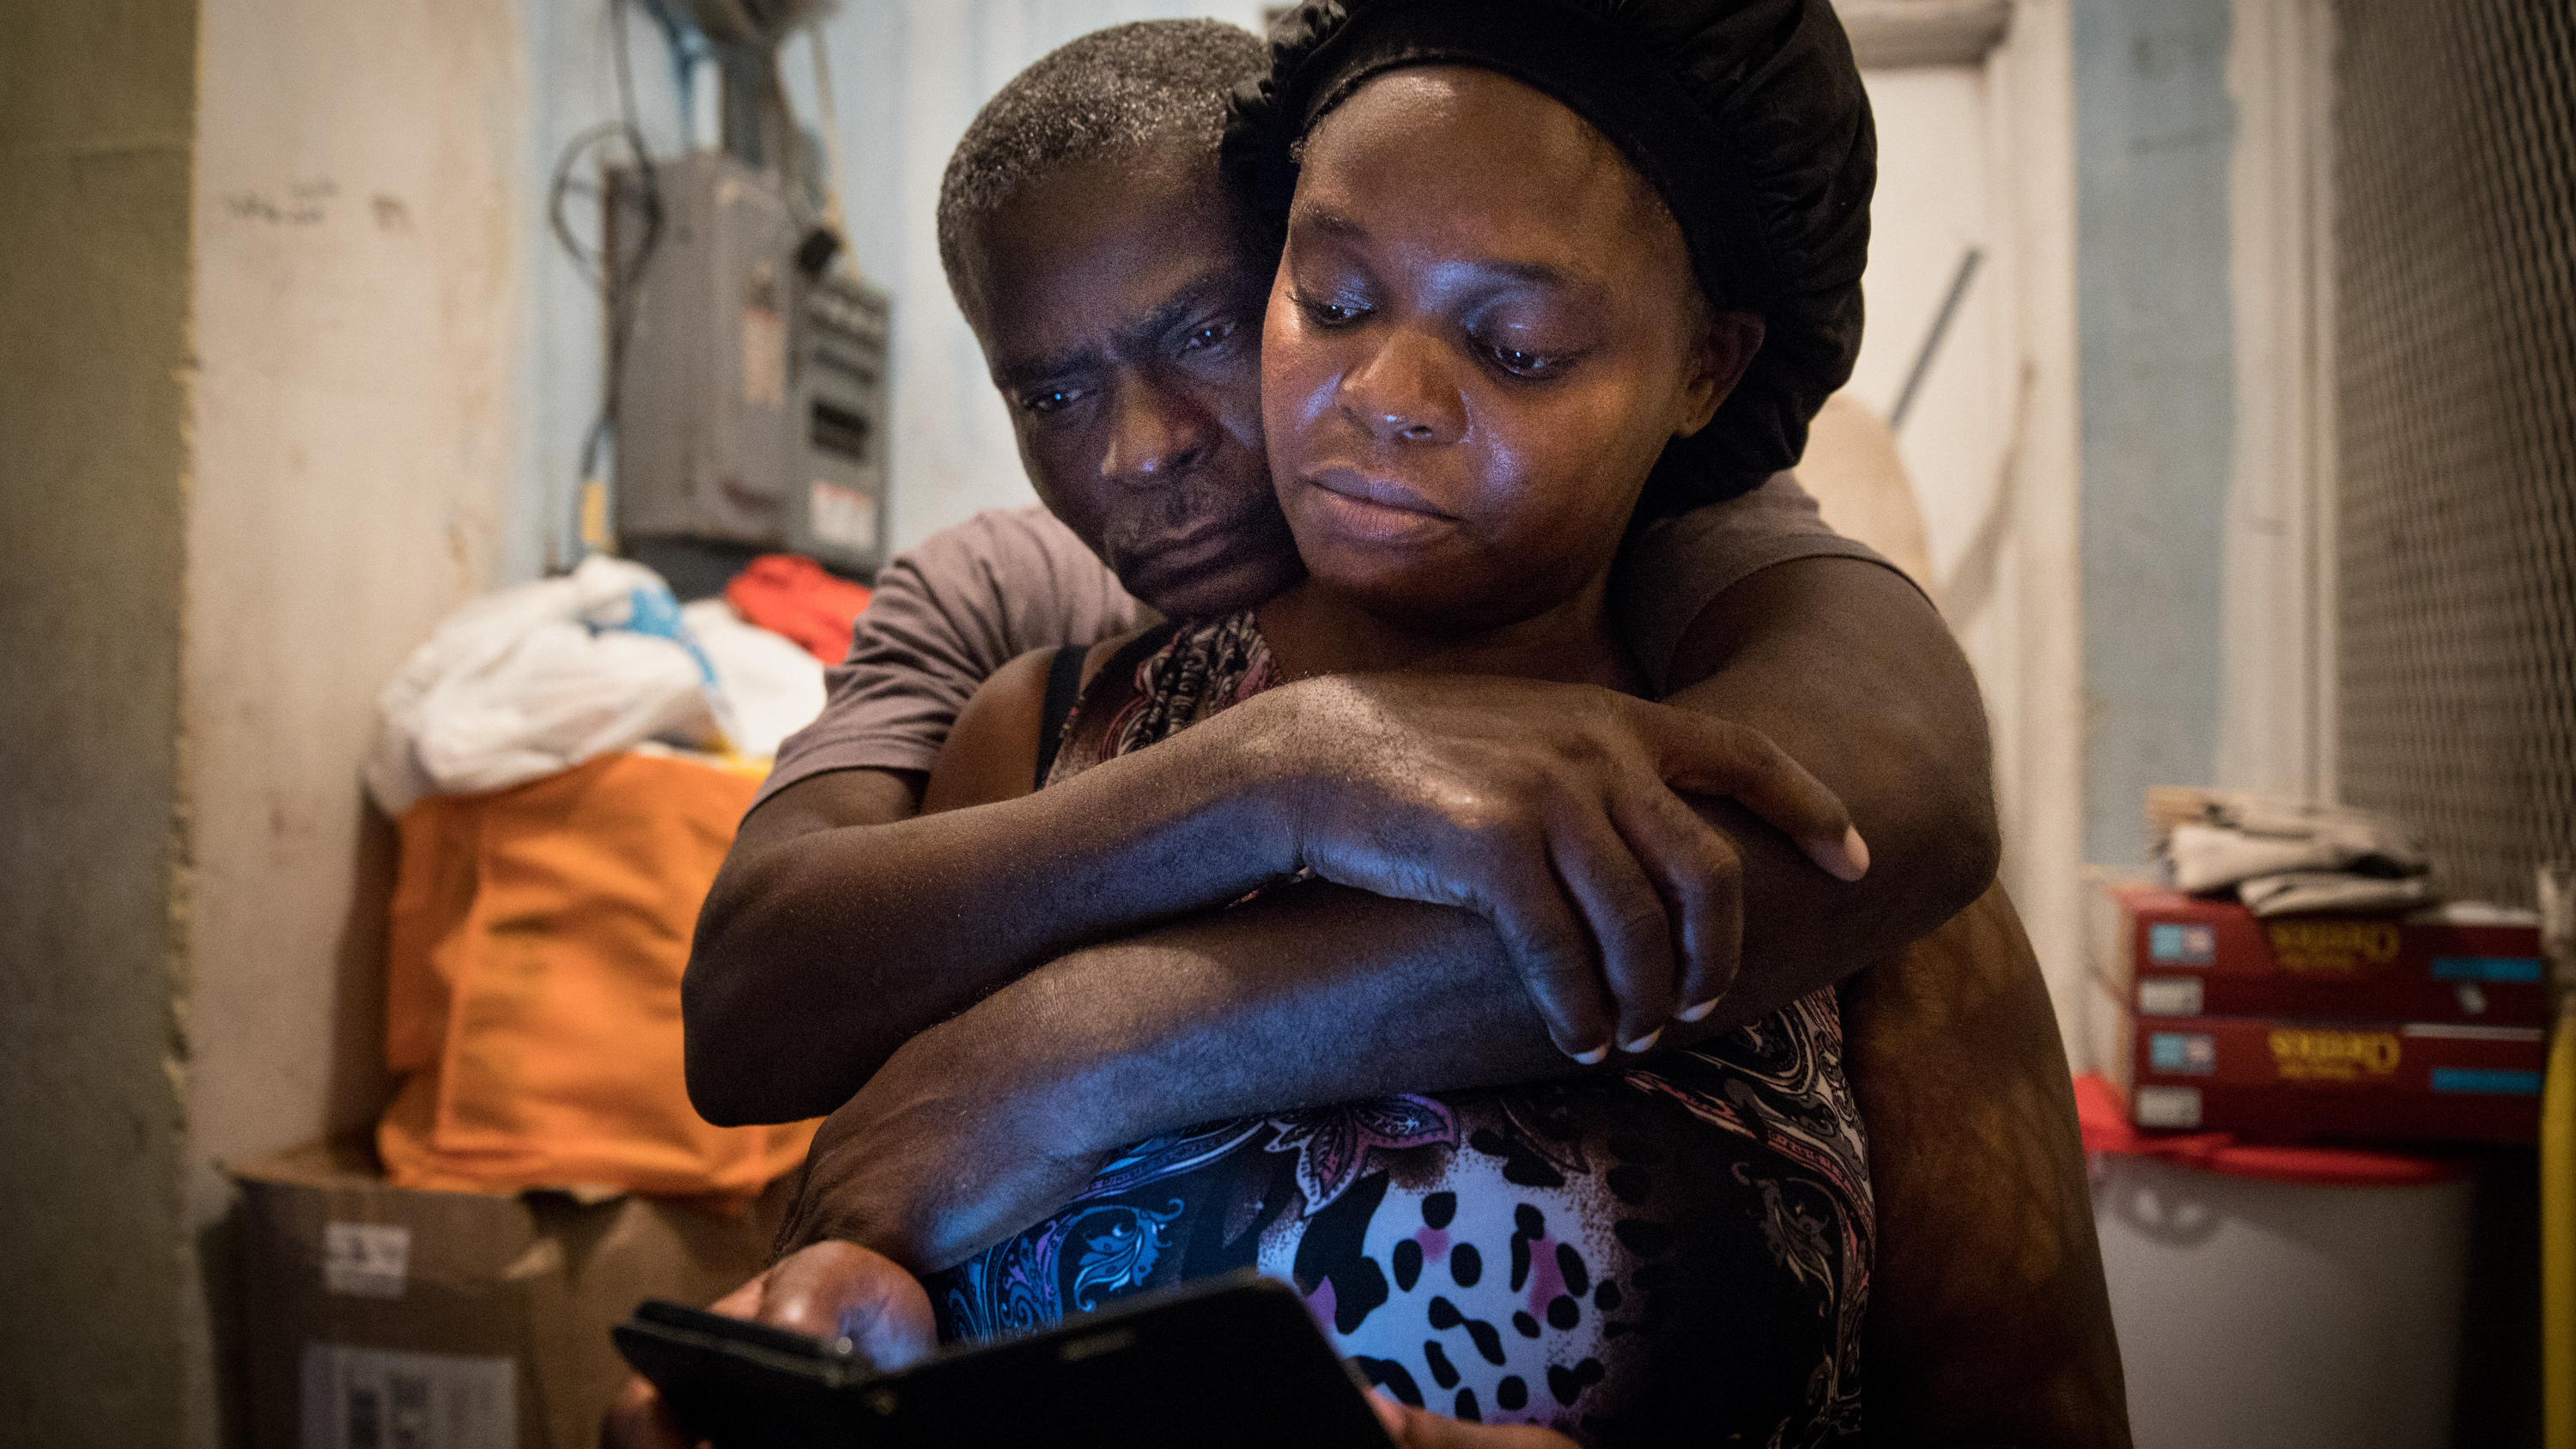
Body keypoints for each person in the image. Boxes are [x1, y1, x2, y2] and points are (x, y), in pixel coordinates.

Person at [614, 11, 2128, 1447]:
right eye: (1331, 303)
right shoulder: (1035, 719)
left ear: (1701, 372)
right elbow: (852, 1176)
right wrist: (827, 1325)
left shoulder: (1815, 825)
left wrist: (1074, 1059)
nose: (1386, 395)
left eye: (1520, 345)